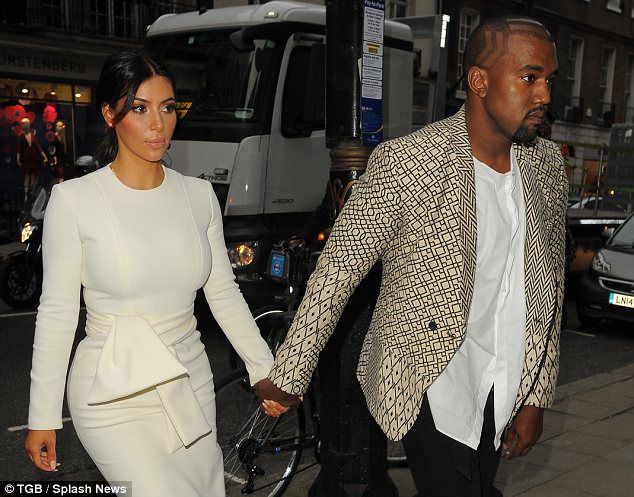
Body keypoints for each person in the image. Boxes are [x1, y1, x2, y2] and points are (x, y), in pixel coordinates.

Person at [257, 15, 567, 496]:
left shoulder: (547, 166)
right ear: (479, 81)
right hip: (429, 377)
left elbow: (551, 293)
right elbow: (337, 272)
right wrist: (290, 374)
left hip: (505, 378)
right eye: (529, 78)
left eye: (549, 80)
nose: (544, 95)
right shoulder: (408, 162)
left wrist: (535, 396)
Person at [24, 51, 275, 496]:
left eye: (168, 108)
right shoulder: (75, 201)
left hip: (188, 380)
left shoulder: (199, 196)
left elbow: (223, 292)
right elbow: (58, 312)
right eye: (140, 109)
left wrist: (263, 368)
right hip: (111, 390)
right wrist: (43, 415)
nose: (159, 124)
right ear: (110, 114)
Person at [17, 117, 48, 193]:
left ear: (28, 124)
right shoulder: (21, 136)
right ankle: (26, 195)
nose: (22, 125)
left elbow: (38, 147)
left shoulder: (32, 135)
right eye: (22, 124)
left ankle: (31, 193)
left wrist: (45, 157)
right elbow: (19, 149)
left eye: (24, 123)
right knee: (27, 176)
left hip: (33, 159)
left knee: (33, 176)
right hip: (26, 160)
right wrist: (18, 160)